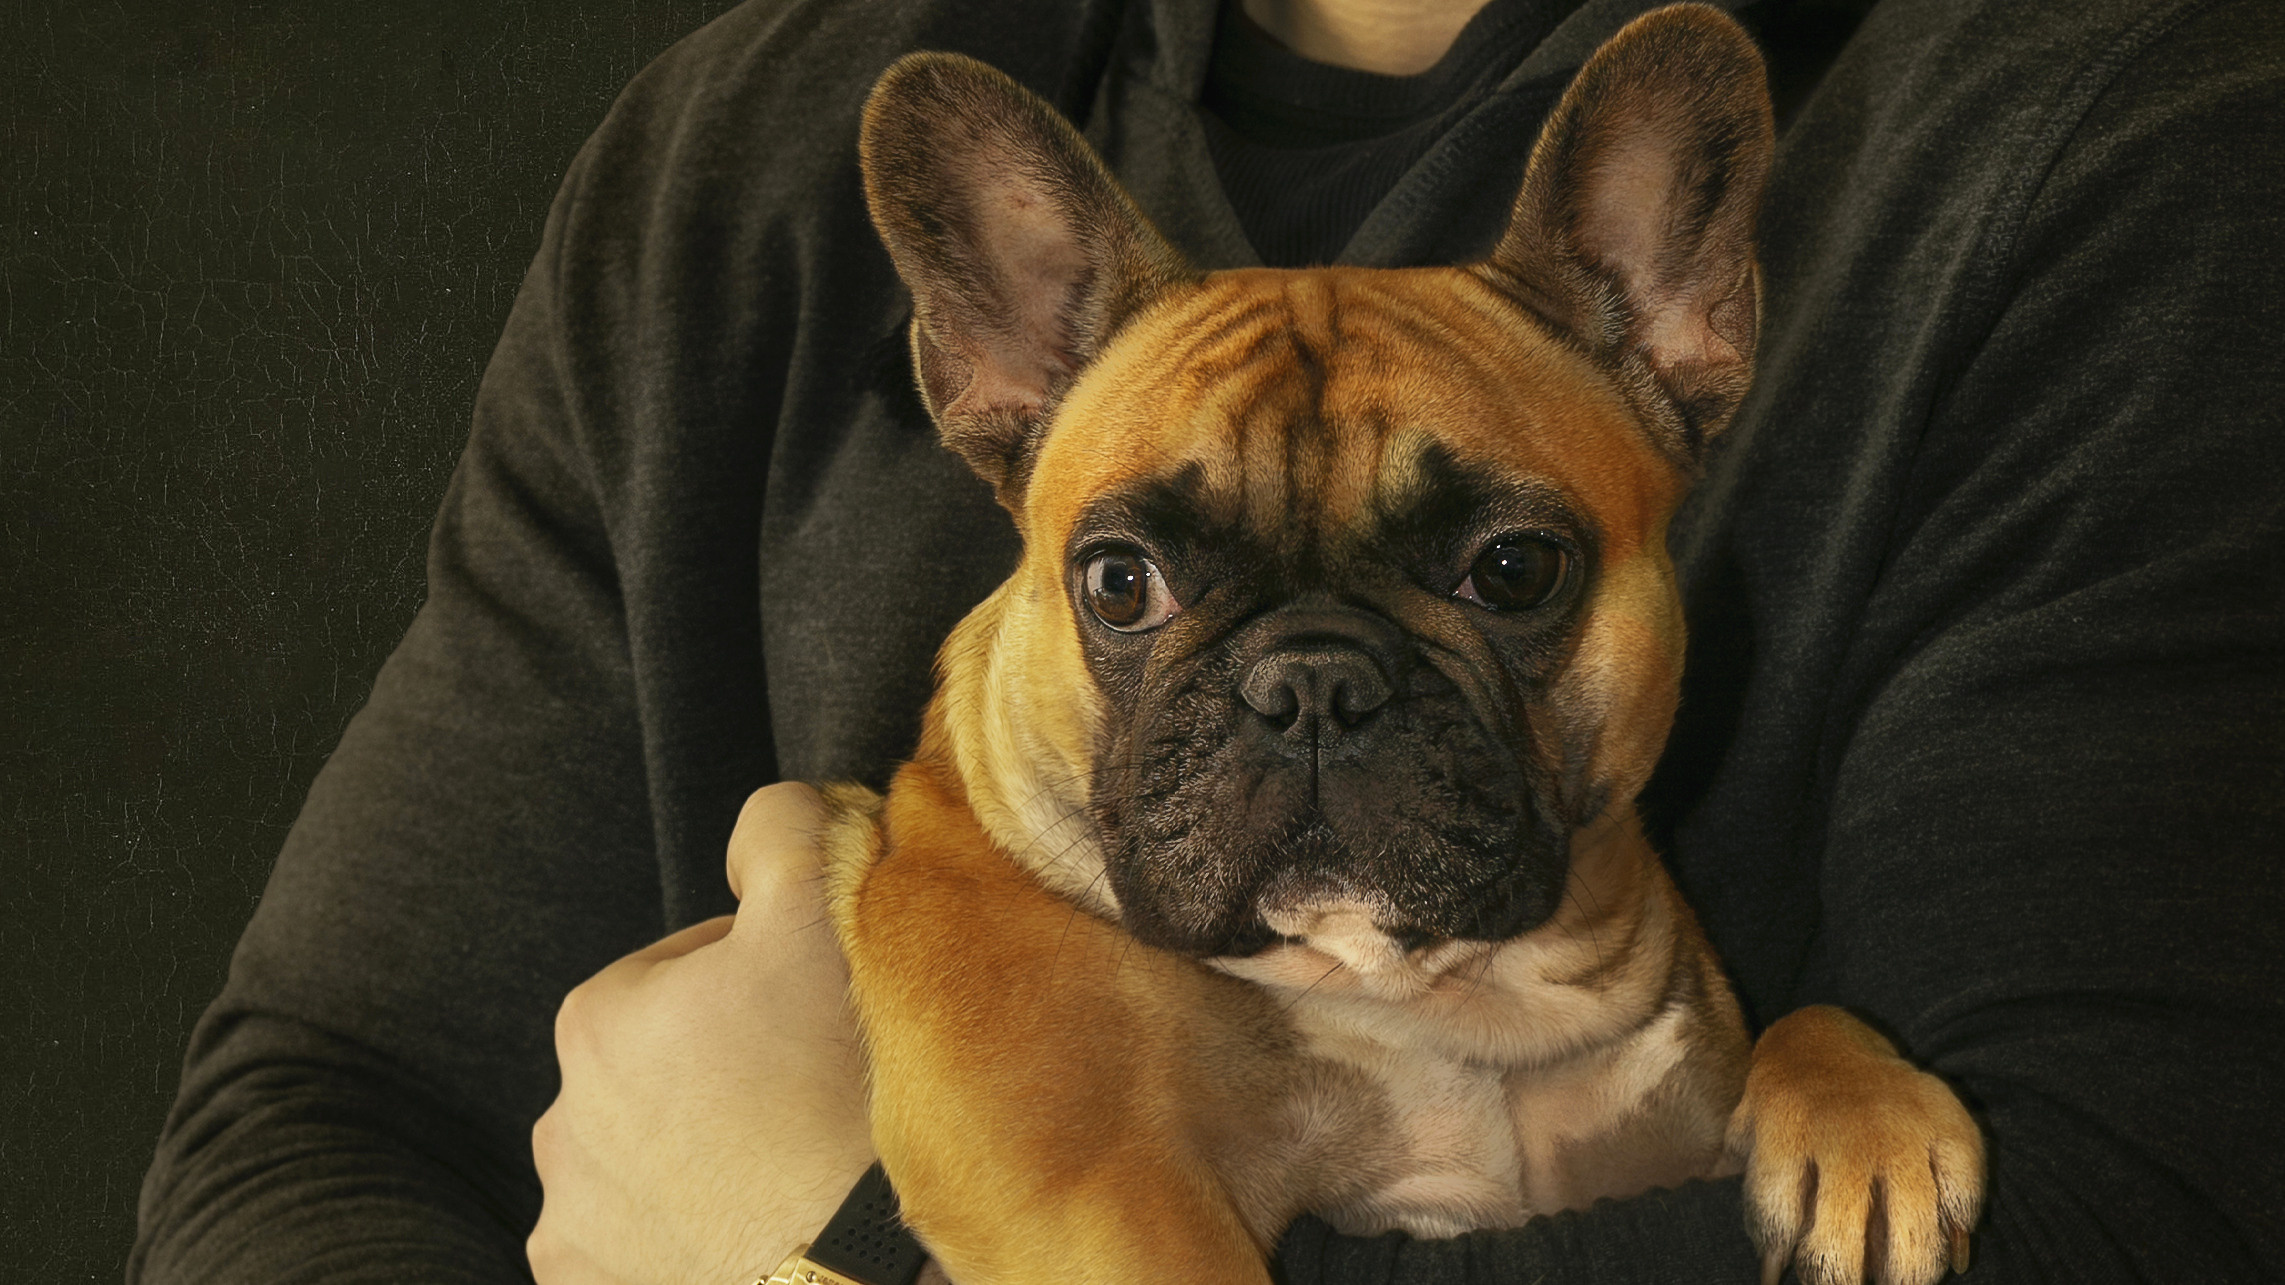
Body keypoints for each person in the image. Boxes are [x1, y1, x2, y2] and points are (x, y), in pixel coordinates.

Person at [132, 0, 2285, 1280]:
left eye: (1502, 577)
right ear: (989, 381)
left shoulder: (2113, 139)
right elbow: (319, 1118)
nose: (1307, 696)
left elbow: (2124, 1227)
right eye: (1135, 587)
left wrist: (835, 1241)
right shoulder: (730, 158)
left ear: (1691, 326)